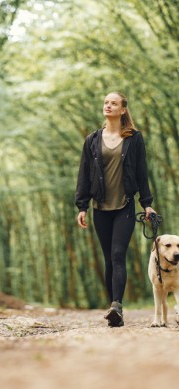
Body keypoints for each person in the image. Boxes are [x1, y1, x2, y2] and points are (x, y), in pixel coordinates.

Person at [75, 91, 156, 327]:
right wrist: (82, 206)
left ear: (123, 110)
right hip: (100, 206)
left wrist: (147, 203)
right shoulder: (92, 139)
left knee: (118, 254)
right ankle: (114, 308)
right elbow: (84, 174)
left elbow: (142, 173)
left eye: (113, 103)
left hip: (125, 205)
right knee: (109, 260)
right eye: (106, 102)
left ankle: (117, 306)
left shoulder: (134, 138)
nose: (108, 106)